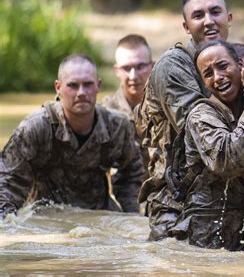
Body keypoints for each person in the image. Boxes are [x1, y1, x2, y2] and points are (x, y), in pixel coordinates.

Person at [134, 0, 233, 241]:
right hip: (176, 202)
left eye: (215, 12)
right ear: (186, 27)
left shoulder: (233, 61)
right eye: (198, 16)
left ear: (229, 18)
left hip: (223, 196)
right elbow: (202, 134)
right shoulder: (173, 66)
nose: (209, 21)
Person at [0, 54, 145, 219]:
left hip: (100, 217)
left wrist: (132, 218)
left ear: (98, 85)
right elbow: (8, 180)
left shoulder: (117, 126)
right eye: (73, 86)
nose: (81, 92)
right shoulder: (35, 128)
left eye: (88, 84)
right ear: (58, 88)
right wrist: (6, 223)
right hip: (44, 218)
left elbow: (132, 173)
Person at [169, 40, 244, 251]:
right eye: (208, 73)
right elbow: (228, 161)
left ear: (240, 65)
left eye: (223, 66)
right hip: (205, 233)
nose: (218, 77)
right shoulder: (201, 115)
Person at [102, 34, 154, 120]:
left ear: (152, 67)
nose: (133, 76)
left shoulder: (166, 108)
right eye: (126, 68)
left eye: (140, 67)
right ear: (117, 70)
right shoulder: (105, 113)